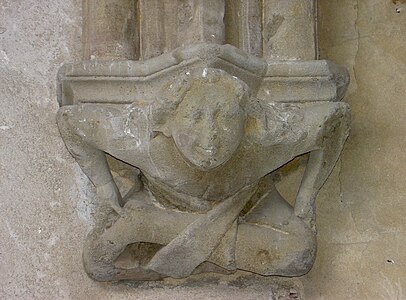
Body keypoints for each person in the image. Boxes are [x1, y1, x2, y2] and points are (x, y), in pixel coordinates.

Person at [57, 68, 350, 280]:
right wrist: (105, 186)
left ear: (246, 122)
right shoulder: (144, 143)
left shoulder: (266, 141)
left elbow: (335, 122)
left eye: (226, 118)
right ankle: (177, 244)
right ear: (169, 122)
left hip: (248, 198)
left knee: (299, 254)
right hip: (167, 198)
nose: (209, 136)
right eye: (194, 117)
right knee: (98, 258)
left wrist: (307, 198)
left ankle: (148, 228)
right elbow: (71, 122)